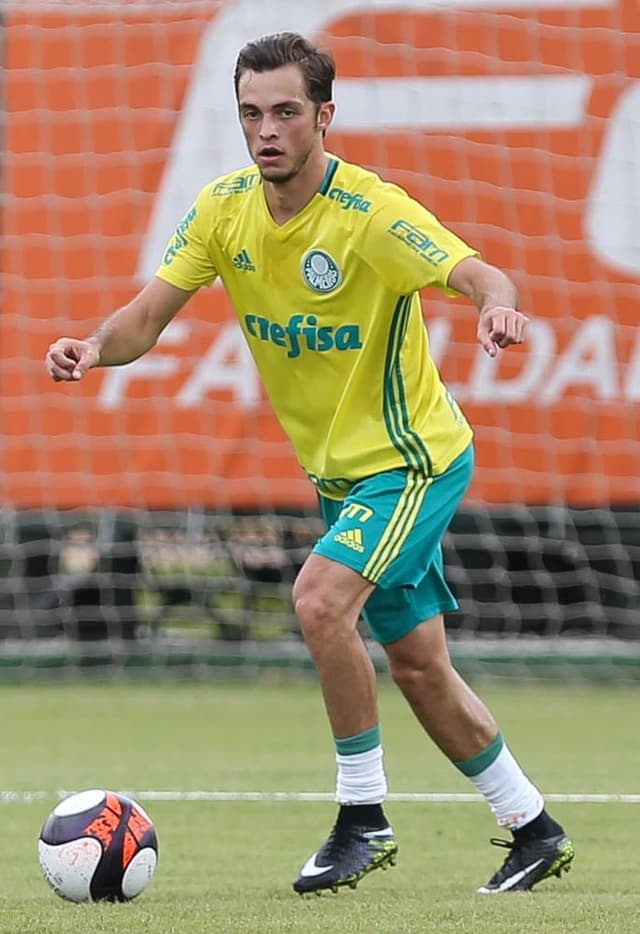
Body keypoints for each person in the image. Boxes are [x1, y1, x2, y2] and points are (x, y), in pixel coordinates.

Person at [45, 31, 575, 896]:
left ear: (324, 116)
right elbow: (142, 321)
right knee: (416, 666)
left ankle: (362, 818)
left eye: (287, 112)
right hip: (342, 479)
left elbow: (485, 275)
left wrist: (499, 313)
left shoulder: (370, 213)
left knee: (319, 600)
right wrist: (90, 347)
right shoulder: (223, 211)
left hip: (412, 464)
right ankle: (532, 827)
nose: (267, 131)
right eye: (251, 113)